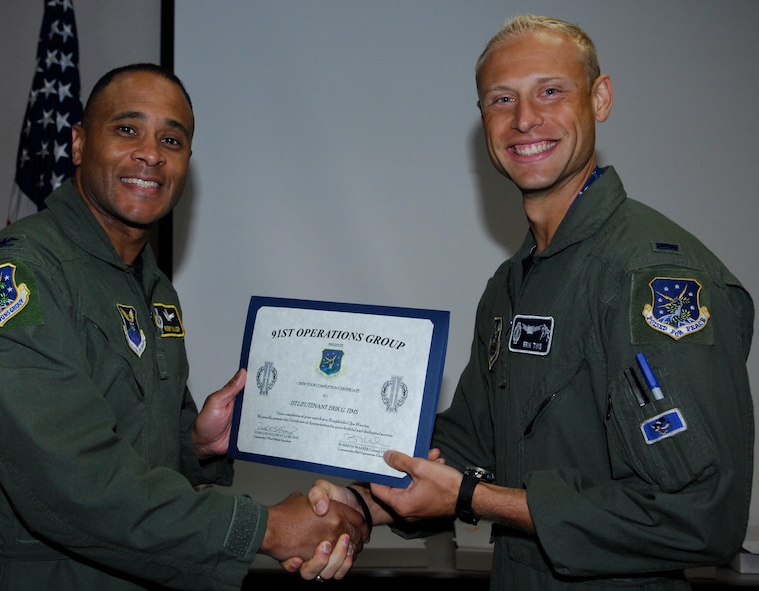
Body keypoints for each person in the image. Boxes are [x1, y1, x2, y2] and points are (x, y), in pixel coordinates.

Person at [304, 14, 755, 589]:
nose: (524, 120)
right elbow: (471, 441)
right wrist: (358, 500)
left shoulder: (651, 276)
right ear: (482, 120)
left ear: (601, 98)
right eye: (501, 99)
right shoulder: (511, 284)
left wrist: (476, 498)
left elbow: (703, 515)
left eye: (550, 91)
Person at [0, 63, 366, 591]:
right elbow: (73, 484)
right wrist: (264, 528)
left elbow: (134, 445)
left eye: (171, 139)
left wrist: (194, 446)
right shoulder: (18, 280)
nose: (151, 154)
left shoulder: (151, 287)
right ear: (80, 143)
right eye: (127, 129)